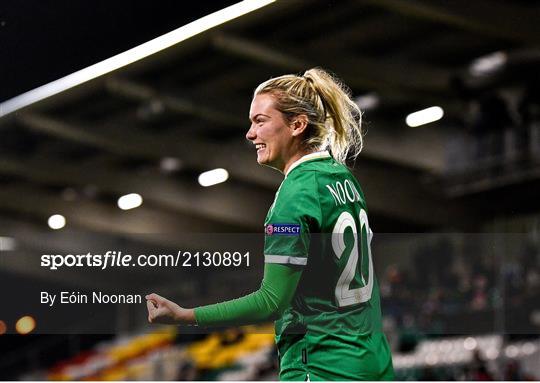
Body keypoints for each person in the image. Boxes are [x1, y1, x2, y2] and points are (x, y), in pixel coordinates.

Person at [146, 68, 394, 381]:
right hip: (373, 364)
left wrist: (186, 316)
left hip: (320, 367)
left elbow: (271, 302)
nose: (250, 134)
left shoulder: (295, 196)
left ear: (297, 125)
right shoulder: (343, 178)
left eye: (260, 121)